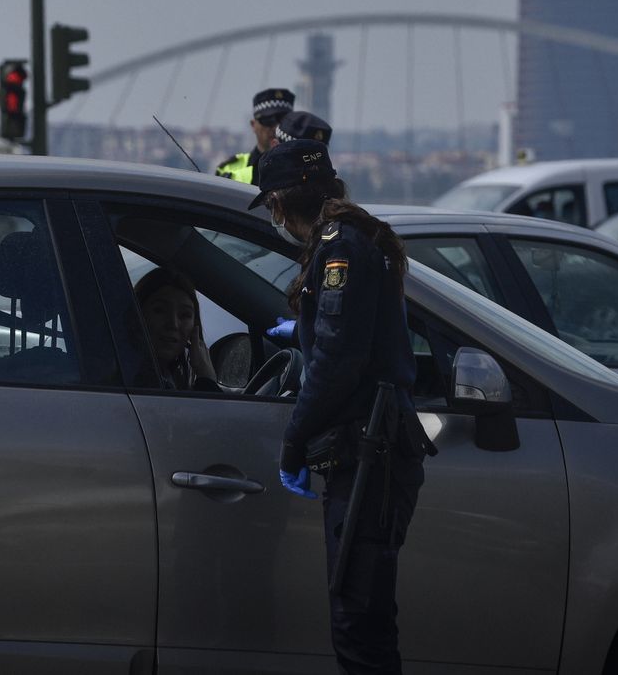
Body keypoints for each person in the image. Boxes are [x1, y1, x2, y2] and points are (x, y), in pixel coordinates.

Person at [251, 139, 435, 674]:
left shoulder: (339, 246)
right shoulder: (350, 238)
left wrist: (292, 441)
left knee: (360, 627)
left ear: (279, 205)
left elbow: (336, 362)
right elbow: (346, 338)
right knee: (361, 619)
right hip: (368, 449)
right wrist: (304, 334)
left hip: (370, 453)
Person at [135, 266, 218, 390]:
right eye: (160, 310)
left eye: (185, 315)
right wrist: (207, 379)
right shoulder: (133, 380)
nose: (173, 324)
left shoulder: (169, 377)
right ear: (137, 314)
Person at [215, 87, 296, 184]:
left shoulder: (300, 167)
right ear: (253, 125)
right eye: (268, 121)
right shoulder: (229, 170)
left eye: (283, 121)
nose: (276, 127)